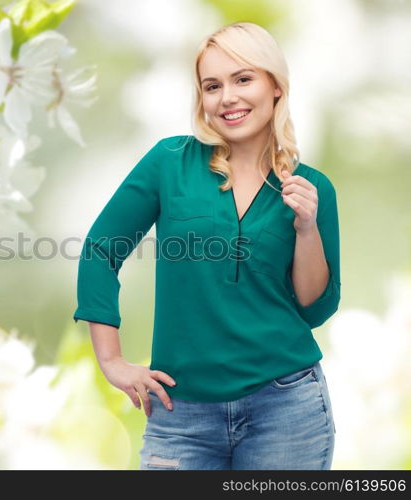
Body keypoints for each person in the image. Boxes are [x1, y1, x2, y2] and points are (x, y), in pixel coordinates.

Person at [73, 21, 340, 470]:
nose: (227, 98)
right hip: (181, 418)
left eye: (243, 79)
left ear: (275, 86)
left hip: (287, 408)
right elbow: (101, 249)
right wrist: (112, 360)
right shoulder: (169, 163)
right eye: (212, 85)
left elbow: (314, 308)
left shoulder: (311, 188)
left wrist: (307, 228)